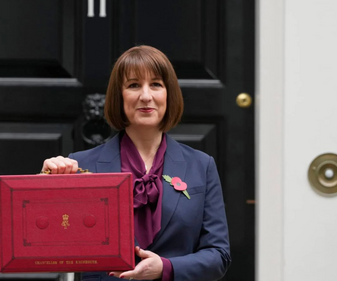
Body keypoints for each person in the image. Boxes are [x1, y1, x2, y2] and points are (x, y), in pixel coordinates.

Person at [41, 45, 231, 281]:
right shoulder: (80, 165)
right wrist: (46, 184)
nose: (145, 95)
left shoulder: (201, 166)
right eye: (133, 85)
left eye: (156, 84)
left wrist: (165, 268)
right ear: (118, 97)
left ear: (168, 94)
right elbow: (50, 243)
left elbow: (219, 255)